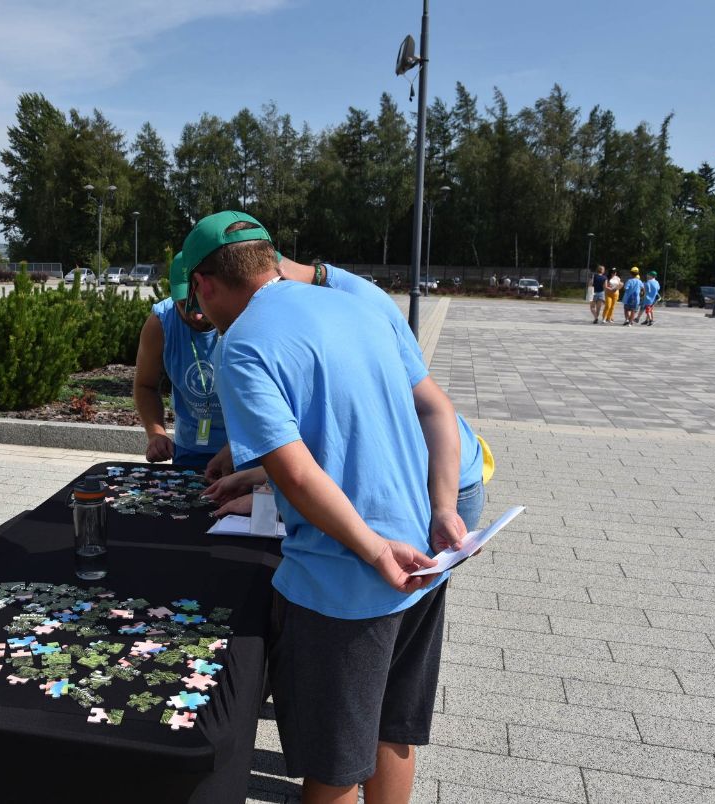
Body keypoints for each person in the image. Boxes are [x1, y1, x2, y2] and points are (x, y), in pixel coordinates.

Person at [182, 211, 464, 804]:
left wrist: (374, 550)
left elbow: (299, 474)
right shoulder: (359, 307)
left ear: (204, 284)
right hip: (424, 561)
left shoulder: (244, 344)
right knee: (392, 731)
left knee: (334, 766)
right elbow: (435, 409)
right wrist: (442, 508)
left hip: (346, 582)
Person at [204, 257, 488, 533]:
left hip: (439, 479)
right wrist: (259, 478)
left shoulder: (345, 304)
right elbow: (332, 445)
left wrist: (268, 500)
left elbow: (343, 454)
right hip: (422, 483)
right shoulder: (330, 304)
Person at [131, 251, 230, 473]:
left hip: (244, 446)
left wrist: (239, 446)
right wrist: (156, 433)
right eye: (184, 304)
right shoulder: (161, 323)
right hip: (190, 446)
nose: (195, 315)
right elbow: (145, 385)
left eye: (201, 304)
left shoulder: (242, 315)